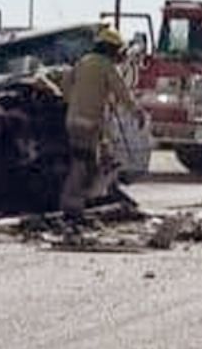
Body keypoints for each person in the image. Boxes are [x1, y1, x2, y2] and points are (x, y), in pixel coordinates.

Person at [60, 27, 141, 215]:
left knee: (83, 160)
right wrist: (137, 112)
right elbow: (122, 92)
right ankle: (72, 204)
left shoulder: (83, 62)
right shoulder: (106, 65)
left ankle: (78, 201)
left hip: (72, 120)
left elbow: (65, 84)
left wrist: (74, 100)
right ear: (112, 49)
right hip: (89, 122)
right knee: (83, 163)